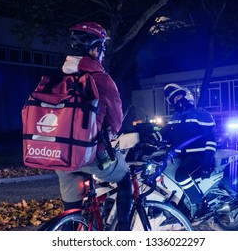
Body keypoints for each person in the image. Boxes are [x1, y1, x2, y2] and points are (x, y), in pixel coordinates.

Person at [55, 21, 132, 230]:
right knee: (126, 180)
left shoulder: (60, 76)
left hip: (61, 155)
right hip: (90, 153)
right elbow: (116, 122)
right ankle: (124, 233)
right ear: (96, 49)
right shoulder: (100, 79)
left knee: (72, 211)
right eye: (103, 49)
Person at [147, 83, 217, 218]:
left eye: (179, 96)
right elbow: (164, 132)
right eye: (174, 99)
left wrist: (207, 163)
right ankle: (174, 204)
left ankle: (201, 203)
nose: (177, 100)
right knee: (162, 172)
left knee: (181, 176)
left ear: (187, 96)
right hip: (181, 156)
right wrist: (148, 137)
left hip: (199, 155)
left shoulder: (201, 114)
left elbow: (211, 139)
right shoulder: (175, 117)